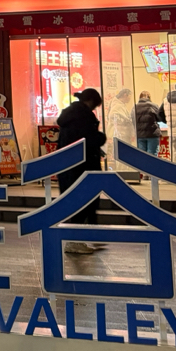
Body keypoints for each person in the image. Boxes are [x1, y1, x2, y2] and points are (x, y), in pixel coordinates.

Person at [56, 88, 106, 255]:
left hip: (69, 166)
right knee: (83, 202)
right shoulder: (82, 116)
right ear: (91, 101)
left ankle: (84, 236)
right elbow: (88, 139)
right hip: (83, 167)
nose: (94, 109)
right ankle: (75, 240)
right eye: (95, 105)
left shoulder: (70, 114)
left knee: (79, 202)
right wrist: (101, 138)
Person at [133, 91, 162, 178]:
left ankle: (145, 174)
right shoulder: (153, 105)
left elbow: (132, 119)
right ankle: (151, 174)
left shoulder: (135, 107)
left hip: (140, 135)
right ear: (149, 97)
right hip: (152, 134)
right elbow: (159, 118)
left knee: (142, 155)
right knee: (152, 154)